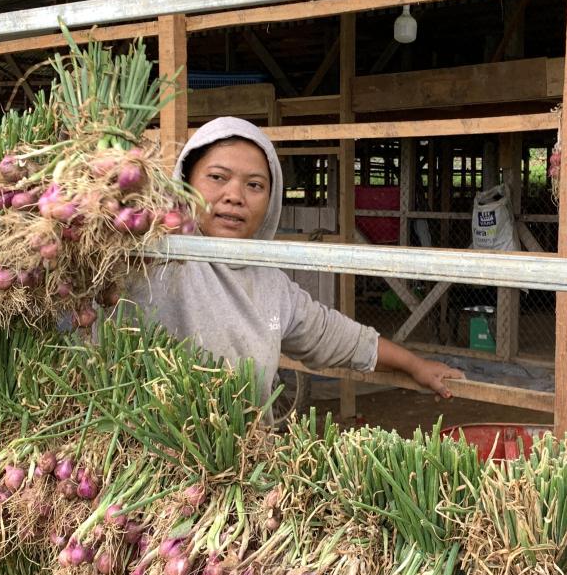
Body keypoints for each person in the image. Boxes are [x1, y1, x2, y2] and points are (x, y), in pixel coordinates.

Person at [131, 117, 463, 409]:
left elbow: (331, 335)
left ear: (271, 200)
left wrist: (414, 365)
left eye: (255, 185)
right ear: (185, 182)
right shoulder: (148, 257)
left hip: (240, 454)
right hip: (145, 455)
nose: (235, 196)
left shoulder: (271, 287)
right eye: (217, 177)